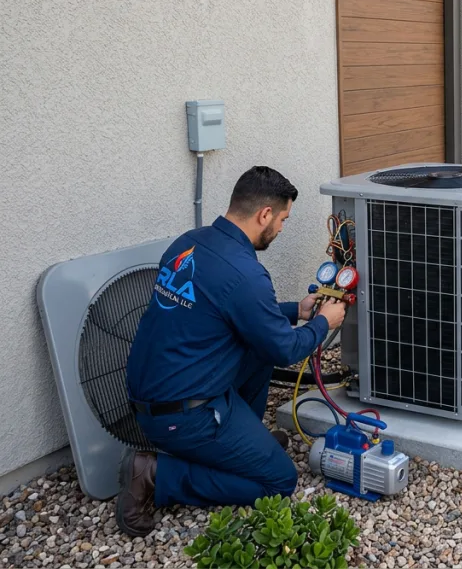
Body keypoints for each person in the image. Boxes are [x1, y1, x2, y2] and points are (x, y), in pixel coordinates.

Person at [117, 166, 348, 537]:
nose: (282, 229)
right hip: (181, 415)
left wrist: (297, 311)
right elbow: (286, 348)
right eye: (284, 219)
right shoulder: (245, 273)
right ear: (264, 215)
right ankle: (157, 475)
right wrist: (323, 321)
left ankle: (242, 442)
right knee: (279, 481)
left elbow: (227, 312)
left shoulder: (190, 243)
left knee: (256, 351)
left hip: (153, 390)